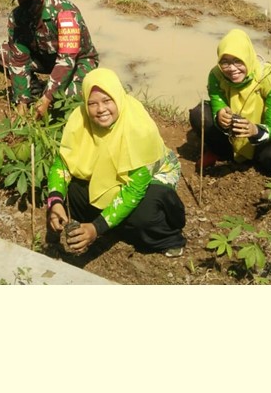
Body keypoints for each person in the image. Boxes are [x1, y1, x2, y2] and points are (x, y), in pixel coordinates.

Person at [47, 68, 187, 257]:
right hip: (110, 174)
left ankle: (168, 238)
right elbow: (63, 163)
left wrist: (96, 228)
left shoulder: (139, 128)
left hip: (152, 177)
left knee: (143, 216)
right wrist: (55, 201)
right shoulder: (80, 119)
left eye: (107, 101)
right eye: (92, 103)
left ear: (118, 97)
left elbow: (134, 190)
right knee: (74, 193)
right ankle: (114, 224)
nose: (101, 109)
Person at [0, 0, 99, 119]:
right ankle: (34, 90)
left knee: (65, 100)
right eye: (23, 0)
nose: (28, 5)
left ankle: (49, 92)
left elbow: (66, 60)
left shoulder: (65, 12)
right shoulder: (17, 17)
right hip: (44, 59)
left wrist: (48, 97)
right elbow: (18, 58)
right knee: (0, 54)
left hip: (77, 62)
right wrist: (22, 102)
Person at [189, 29, 271, 180]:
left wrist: (254, 130)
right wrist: (219, 115)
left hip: (262, 134)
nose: (232, 69)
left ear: (248, 57)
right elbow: (217, 101)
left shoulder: (269, 78)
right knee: (199, 115)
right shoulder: (216, 75)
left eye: (238, 61)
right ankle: (218, 151)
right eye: (225, 62)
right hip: (233, 133)